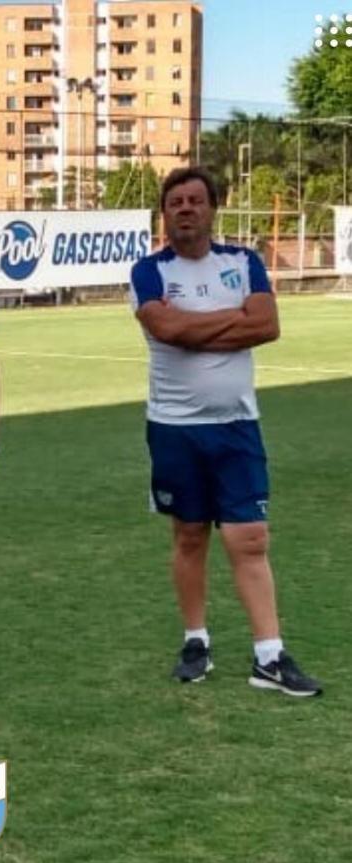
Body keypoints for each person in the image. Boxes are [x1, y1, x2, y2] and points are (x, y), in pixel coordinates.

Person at [130, 165, 321, 697]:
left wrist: (197, 329)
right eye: (176, 203)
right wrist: (230, 322)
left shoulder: (244, 261)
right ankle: (196, 640)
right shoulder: (149, 271)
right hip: (174, 427)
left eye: (195, 200)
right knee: (190, 535)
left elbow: (267, 325)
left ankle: (269, 655)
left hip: (237, 425)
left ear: (213, 208)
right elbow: (166, 330)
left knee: (249, 537)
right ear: (164, 213)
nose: (185, 209)